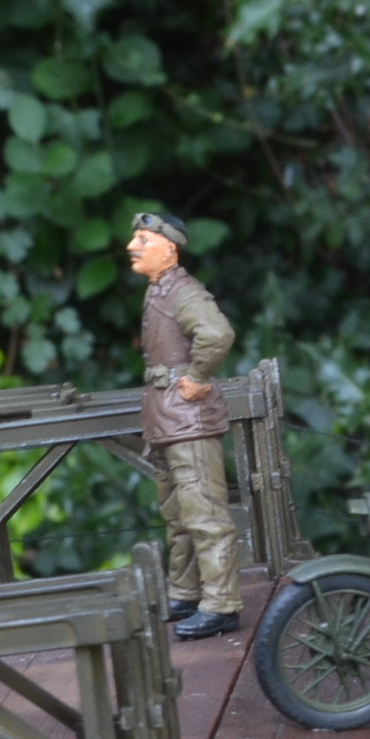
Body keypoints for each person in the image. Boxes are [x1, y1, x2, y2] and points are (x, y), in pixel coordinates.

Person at [125, 213, 243, 641]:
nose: (132, 246)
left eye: (143, 239)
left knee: (204, 514)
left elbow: (217, 334)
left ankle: (222, 604)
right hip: (168, 418)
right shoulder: (161, 290)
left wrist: (196, 377)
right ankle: (186, 592)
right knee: (178, 515)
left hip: (189, 420)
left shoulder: (184, 292)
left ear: (168, 248)